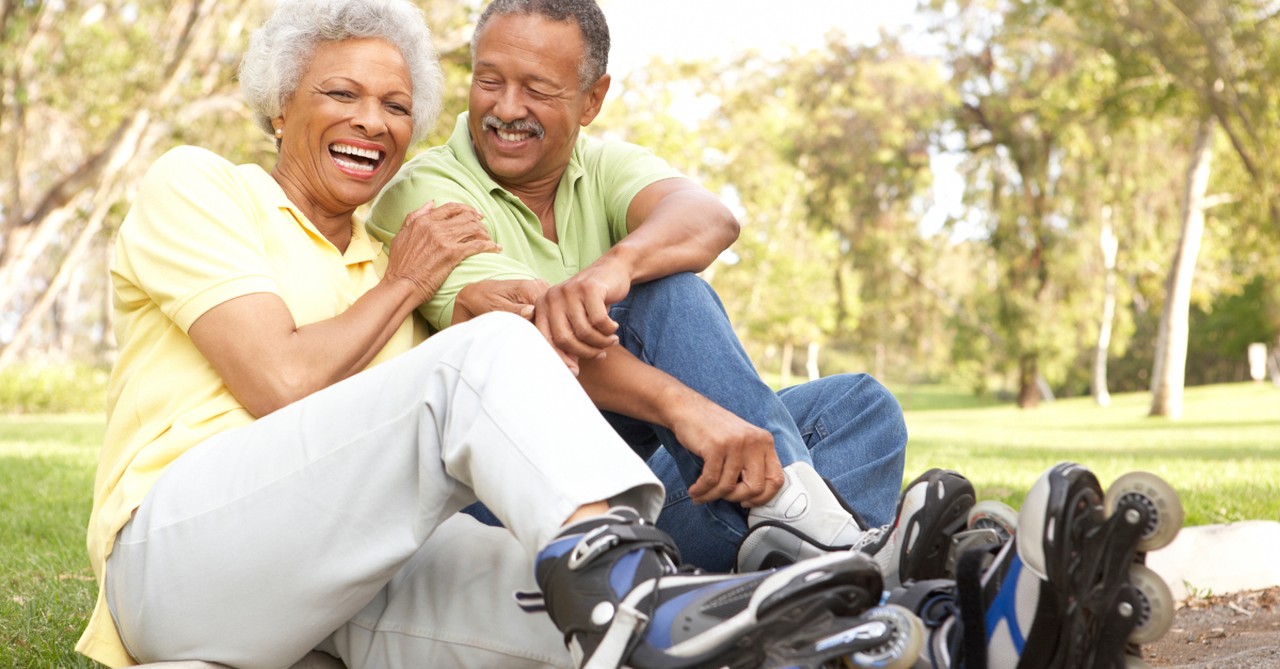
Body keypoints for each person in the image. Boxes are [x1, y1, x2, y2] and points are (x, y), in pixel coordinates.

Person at [74, 2, 896, 668]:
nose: (372, 121)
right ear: (280, 102)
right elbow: (279, 382)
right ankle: (691, 563)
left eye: (397, 106)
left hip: (341, 585)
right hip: (181, 557)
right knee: (496, 349)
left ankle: (879, 616)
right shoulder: (207, 187)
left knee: (675, 625)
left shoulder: (391, 256)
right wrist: (409, 285)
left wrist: (439, 286)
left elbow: (682, 235)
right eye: (341, 94)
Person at [368, 0, 919, 578]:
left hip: (623, 495)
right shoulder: (426, 195)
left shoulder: (600, 166)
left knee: (860, 408)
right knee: (665, 297)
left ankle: (797, 567)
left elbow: (710, 219)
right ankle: (831, 553)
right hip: (502, 501)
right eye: (489, 81)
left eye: (537, 89)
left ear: (592, 100)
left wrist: (616, 265)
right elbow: (527, 345)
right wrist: (686, 409)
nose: (506, 108)